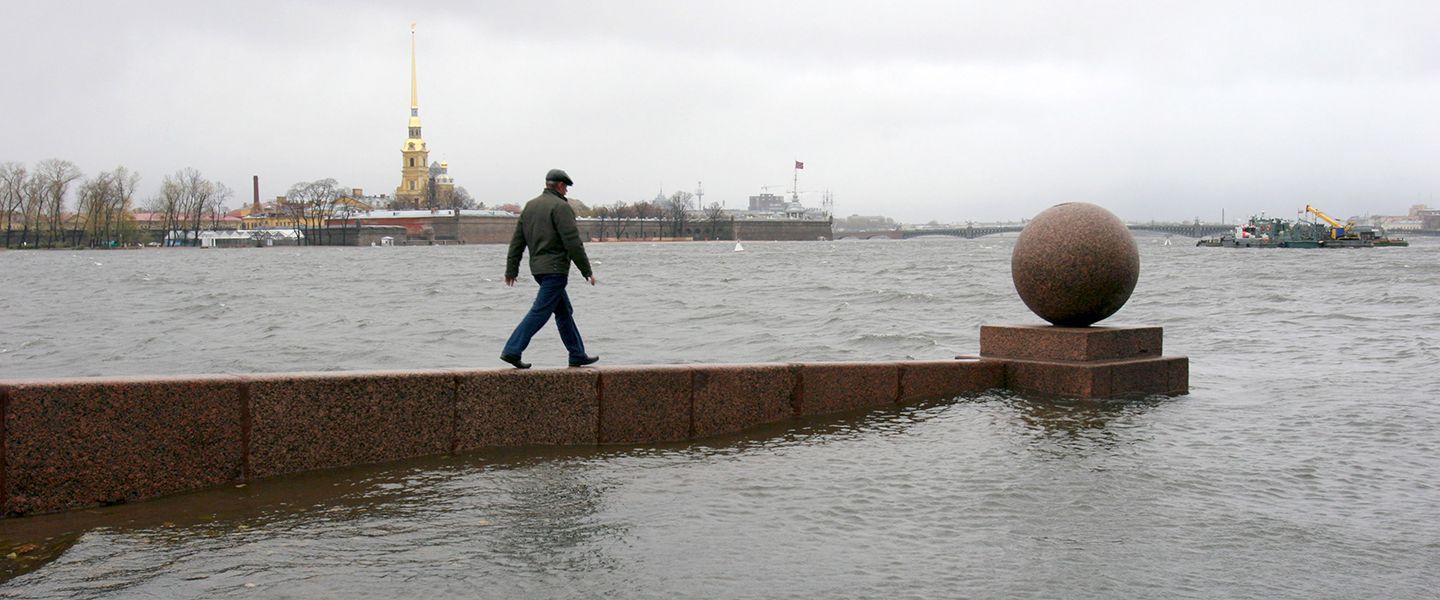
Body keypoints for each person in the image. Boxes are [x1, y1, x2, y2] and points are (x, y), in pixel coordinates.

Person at [499, 168, 599, 369]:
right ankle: (512, 349)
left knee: (563, 311)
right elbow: (572, 242)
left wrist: (512, 270)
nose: (567, 192)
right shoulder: (561, 207)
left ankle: (577, 353)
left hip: (538, 269)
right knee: (541, 311)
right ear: (560, 186)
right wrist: (586, 270)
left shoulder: (530, 206)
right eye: (566, 188)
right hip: (555, 269)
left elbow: (517, 242)